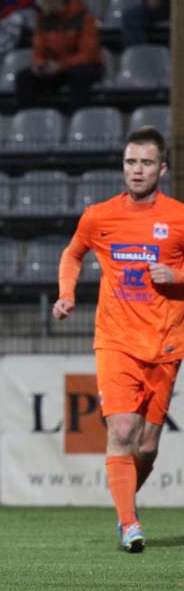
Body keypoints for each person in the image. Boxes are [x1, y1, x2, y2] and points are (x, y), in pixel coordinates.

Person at [53, 127, 184, 553]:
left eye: (146, 163)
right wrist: (67, 294)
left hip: (165, 341)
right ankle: (129, 523)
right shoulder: (99, 216)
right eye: (131, 162)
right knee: (122, 428)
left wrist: (178, 277)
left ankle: (125, 501)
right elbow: (73, 253)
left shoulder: (179, 217)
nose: (137, 170)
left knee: (146, 444)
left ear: (162, 168)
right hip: (115, 338)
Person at [14, 0, 102, 112]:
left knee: (79, 75)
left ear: (58, 1)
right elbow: (39, 51)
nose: (43, 7)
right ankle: (32, 119)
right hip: (55, 67)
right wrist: (39, 65)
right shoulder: (43, 19)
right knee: (24, 77)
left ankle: (78, 117)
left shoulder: (84, 18)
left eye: (46, 3)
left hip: (84, 66)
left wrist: (61, 65)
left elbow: (88, 55)